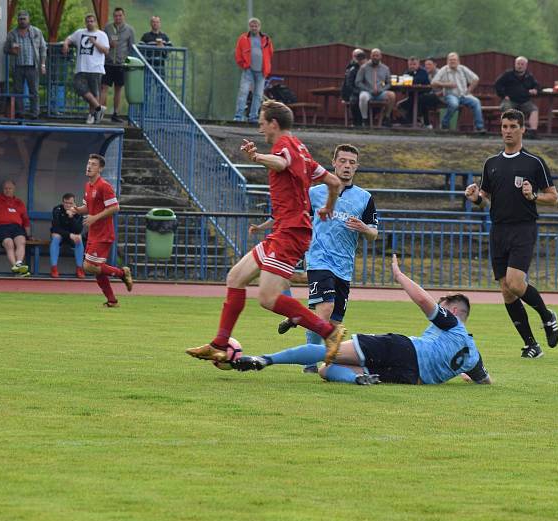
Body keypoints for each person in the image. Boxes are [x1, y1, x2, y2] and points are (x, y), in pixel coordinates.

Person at [185, 100, 346, 363]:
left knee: (268, 298)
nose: (260, 129)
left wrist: (257, 157)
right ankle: (220, 344)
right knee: (236, 277)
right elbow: (334, 181)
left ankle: (329, 332)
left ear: (273, 123)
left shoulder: (284, 146)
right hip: (285, 229)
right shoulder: (302, 151)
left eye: (261, 123)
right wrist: (327, 208)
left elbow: (281, 164)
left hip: (291, 231)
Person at [232, 254, 492, 387]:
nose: (440, 307)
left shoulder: (453, 324)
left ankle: (265, 359)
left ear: (455, 312)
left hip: (405, 349)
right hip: (411, 377)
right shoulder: (473, 356)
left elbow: (425, 302)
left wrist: (400, 276)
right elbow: (485, 381)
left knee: (329, 352)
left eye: (444, 305)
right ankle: (356, 380)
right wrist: (467, 376)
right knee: (325, 371)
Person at [464, 109, 558, 359]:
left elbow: (554, 197)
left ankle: (547, 316)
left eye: (513, 126)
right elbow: (485, 199)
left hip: (523, 228)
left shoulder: (533, 162)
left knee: (516, 284)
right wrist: (475, 198)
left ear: (522, 129)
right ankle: (531, 344)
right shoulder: (491, 163)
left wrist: (533, 195)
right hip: (498, 230)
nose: (507, 131)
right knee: (506, 290)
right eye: (504, 126)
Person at [276, 144, 379, 373]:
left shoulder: (365, 198)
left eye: (352, 163)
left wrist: (363, 228)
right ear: (334, 163)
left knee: (333, 322)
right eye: (342, 161)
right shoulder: (315, 193)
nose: (347, 166)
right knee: (325, 308)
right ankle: (310, 364)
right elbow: (297, 219)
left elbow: (374, 234)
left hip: (344, 267)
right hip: (318, 259)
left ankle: (297, 318)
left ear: (357, 167)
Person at [67, 154, 133, 306]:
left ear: (100, 169)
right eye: (89, 163)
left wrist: (95, 218)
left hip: (104, 233)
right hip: (94, 233)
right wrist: (76, 210)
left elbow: (115, 207)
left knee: (89, 266)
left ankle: (122, 273)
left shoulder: (104, 186)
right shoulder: (88, 186)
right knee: (96, 269)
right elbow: (87, 208)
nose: (89, 167)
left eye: (94, 164)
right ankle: (112, 301)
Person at [62, 14, 109, 125]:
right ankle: (98, 108)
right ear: (85, 22)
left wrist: (95, 42)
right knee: (78, 86)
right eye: (88, 21)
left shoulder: (102, 35)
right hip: (81, 67)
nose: (90, 23)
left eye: (92, 21)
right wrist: (65, 44)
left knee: (94, 92)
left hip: (95, 67)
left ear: (95, 22)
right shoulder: (80, 33)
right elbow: (69, 38)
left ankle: (92, 115)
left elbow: (106, 51)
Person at [3, 10, 47, 119]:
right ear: (18, 20)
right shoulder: (12, 33)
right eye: (20, 19)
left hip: (33, 66)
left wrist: (43, 65)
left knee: (34, 91)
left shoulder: (37, 32)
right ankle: (19, 112)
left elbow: (43, 48)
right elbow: (5, 49)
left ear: (28, 20)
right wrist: (11, 51)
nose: (22, 21)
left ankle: (35, 113)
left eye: (24, 19)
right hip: (18, 66)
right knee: (18, 91)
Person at [431, 52, 485, 133]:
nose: (452, 62)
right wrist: (446, 84)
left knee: (476, 102)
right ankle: (444, 124)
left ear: (458, 61)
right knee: (454, 104)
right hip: (450, 95)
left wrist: (469, 90)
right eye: (450, 60)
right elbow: (433, 83)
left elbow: (475, 78)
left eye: (454, 60)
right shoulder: (444, 70)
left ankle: (479, 127)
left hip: (463, 95)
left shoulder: (462, 68)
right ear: (447, 61)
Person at [234, 18, 273, 123]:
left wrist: (267, 66)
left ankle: (253, 116)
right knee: (243, 92)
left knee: (258, 95)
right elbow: (238, 53)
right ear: (249, 27)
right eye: (252, 26)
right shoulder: (243, 38)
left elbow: (270, 53)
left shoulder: (266, 39)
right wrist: (243, 65)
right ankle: (238, 116)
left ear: (259, 27)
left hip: (261, 71)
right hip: (248, 70)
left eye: (256, 26)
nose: (254, 28)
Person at [101, 7, 135, 123]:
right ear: (113, 16)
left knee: (118, 90)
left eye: (120, 15)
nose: (118, 18)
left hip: (121, 64)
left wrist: (129, 62)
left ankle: (115, 113)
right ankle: (99, 112)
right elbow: (102, 43)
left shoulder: (129, 30)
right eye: (116, 16)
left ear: (124, 16)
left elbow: (132, 47)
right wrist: (109, 44)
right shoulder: (107, 28)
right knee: (104, 87)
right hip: (108, 62)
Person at [494, 56, 540, 138]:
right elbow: (497, 85)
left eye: (522, 64)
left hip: (524, 101)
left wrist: (535, 90)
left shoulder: (529, 76)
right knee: (508, 109)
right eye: (518, 64)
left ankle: (533, 132)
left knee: (534, 109)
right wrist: (503, 95)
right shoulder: (508, 74)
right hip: (510, 100)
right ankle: (509, 132)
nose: (520, 66)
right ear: (515, 64)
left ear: (526, 66)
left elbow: (537, 86)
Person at [355, 48, 396, 127]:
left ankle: (386, 117)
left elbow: (389, 83)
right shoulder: (364, 67)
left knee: (392, 95)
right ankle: (365, 119)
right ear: (370, 56)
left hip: (380, 92)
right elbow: (358, 82)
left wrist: (382, 89)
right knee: (363, 97)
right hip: (367, 91)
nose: (375, 57)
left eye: (377, 55)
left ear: (380, 57)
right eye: (373, 55)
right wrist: (368, 89)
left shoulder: (385, 68)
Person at [49, 193, 85, 278]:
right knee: (56, 236)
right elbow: (56, 228)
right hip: (61, 235)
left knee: (79, 238)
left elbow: (78, 230)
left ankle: (79, 268)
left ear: (74, 204)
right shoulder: (57, 209)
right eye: (66, 203)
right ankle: (54, 268)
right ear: (63, 202)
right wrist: (70, 235)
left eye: (70, 203)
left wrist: (71, 216)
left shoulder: (78, 211)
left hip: (73, 237)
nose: (68, 205)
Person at [340, 48, 366, 127]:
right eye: (356, 56)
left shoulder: (368, 68)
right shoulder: (351, 69)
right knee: (354, 100)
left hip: (366, 92)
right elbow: (348, 85)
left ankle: (367, 121)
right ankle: (357, 122)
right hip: (353, 92)